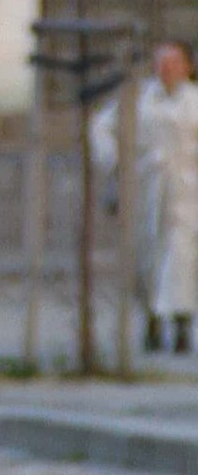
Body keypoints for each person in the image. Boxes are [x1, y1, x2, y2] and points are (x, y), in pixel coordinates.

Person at [93, 39, 198, 357]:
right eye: (161, 63)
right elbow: (102, 126)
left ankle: (182, 325)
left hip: (186, 190)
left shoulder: (194, 102)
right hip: (146, 187)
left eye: (174, 63)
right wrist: (115, 163)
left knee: (182, 257)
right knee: (147, 256)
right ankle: (152, 322)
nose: (167, 69)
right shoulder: (139, 99)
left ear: (187, 67)